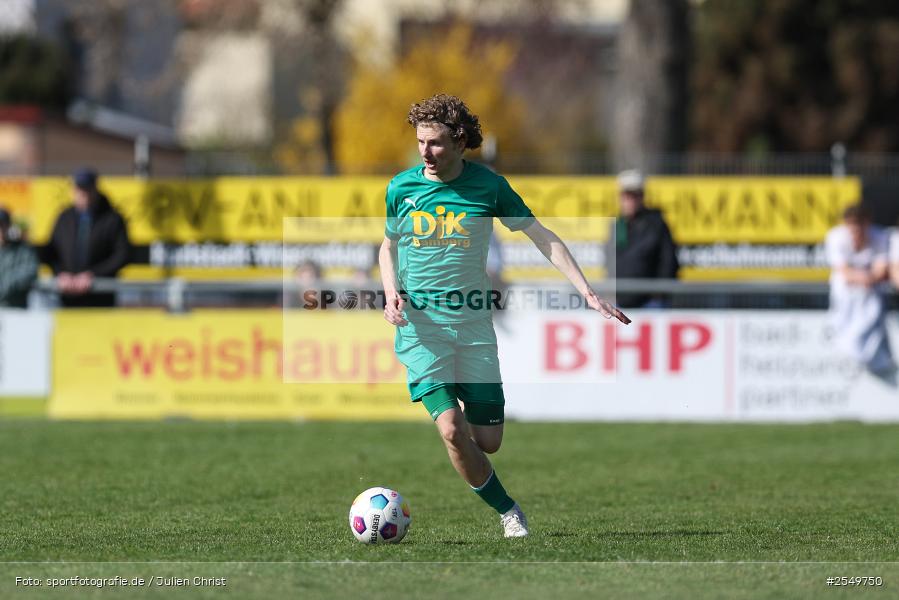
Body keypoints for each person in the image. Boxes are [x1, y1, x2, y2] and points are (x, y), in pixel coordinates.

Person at [378, 94, 630, 539]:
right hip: (423, 330)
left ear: (459, 142)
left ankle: (478, 467)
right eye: (420, 142)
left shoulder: (489, 187)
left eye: (435, 143)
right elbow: (388, 245)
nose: (425, 153)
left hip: (473, 328)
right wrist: (391, 292)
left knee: (488, 441)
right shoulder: (401, 188)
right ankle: (509, 512)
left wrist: (587, 292)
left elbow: (542, 237)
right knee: (453, 429)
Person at [42, 168, 131, 307]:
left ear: (96, 190)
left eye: (87, 189)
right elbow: (51, 252)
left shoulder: (112, 219)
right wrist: (61, 274)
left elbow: (122, 255)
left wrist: (93, 275)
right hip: (67, 296)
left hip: (101, 294)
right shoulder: (64, 218)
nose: (83, 194)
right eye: (79, 189)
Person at [825, 204, 894, 375]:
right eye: (851, 229)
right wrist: (865, 278)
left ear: (867, 224)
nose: (855, 235)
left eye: (859, 230)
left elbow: (880, 271)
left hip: (872, 295)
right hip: (845, 296)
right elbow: (845, 273)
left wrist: (866, 279)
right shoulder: (836, 237)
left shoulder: (879, 236)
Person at [611, 169, 679, 308]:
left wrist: (658, 295)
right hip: (620, 301)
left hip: (650, 303)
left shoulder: (656, 224)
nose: (630, 201)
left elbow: (668, 261)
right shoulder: (617, 225)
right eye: (626, 196)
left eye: (634, 196)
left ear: (642, 197)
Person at [0, 207, 38, 308]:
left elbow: (31, 272)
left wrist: (5, 285)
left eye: (2, 225)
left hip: (16, 311)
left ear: (8, 226)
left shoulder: (24, 250)